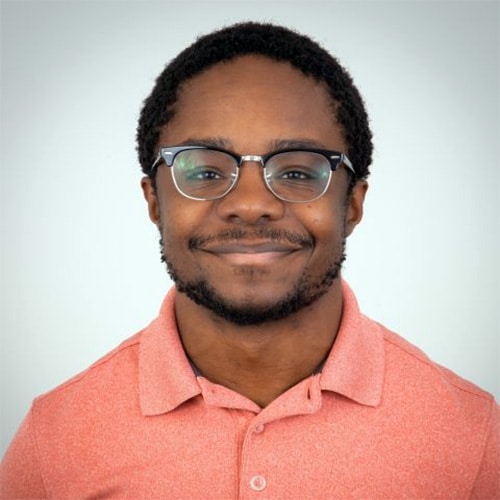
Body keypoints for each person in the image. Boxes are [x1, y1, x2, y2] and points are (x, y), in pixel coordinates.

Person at [1, 21, 498, 499]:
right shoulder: (57, 438)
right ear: (154, 201)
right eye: (203, 170)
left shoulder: (473, 435)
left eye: (300, 173)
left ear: (352, 204)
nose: (252, 203)